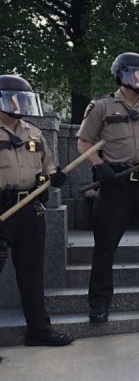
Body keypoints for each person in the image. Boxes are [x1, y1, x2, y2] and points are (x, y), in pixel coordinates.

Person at [76, 53, 139, 323]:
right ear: (121, 76)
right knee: (105, 246)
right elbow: (84, 142)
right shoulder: (102, 107)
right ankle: (99, 303)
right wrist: (100, 165)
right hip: (117, 184)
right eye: (137, 75)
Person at [0, 75, 72, 346]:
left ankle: (39, 331)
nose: (19, 104)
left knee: (32, 273)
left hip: (29, 208)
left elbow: (47, 166)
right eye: (13, 99)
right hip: (1, 210)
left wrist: (55, 176)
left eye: (23, 99)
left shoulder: (33, 132)